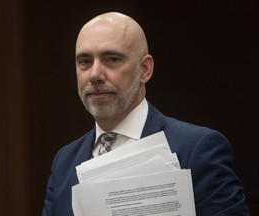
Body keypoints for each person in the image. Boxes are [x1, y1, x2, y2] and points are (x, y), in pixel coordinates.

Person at [42, 11, 250, 216]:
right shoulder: (64, 162)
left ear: (145, 69)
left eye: (112, 59)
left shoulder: (198, 149)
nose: (95, 74)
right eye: (85, 61)